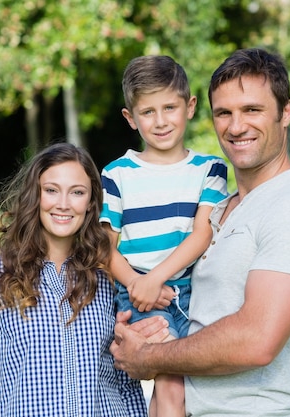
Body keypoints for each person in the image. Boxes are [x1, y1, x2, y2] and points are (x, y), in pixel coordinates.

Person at [110, 48, 290, 417]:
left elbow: (256, 342)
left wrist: (150, 357)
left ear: (285, 113)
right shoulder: (219, 207)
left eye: (252, 110)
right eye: (224, 113)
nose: (236, 127)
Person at [0, 142, 148, 417]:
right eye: (51, 190)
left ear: (91, 202)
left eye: (77, 192)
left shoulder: (108, 279)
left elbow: (127, 386)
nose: (63, 204)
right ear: (35, 195)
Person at [100, 55, 228, 417]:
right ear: (131, 118)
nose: (160, 121)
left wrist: (157, 279)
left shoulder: (210, 168)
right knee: (172, 385)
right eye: (148, 112)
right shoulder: (117, 173)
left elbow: (202, 233)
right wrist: (139, 284)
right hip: (136, 293)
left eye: (169, 107)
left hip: (190, 294)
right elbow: (105, 248)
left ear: (189, 107)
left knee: (177, 390)